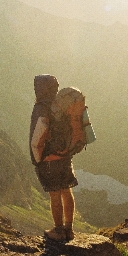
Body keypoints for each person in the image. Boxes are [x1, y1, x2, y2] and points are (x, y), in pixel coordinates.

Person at [29, 74, 78, 241]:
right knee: (67, 190)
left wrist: (37, 159)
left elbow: (37, 137)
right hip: (65, 156)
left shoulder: (41, 108)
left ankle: (58, 231)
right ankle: (69, 229)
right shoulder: (61, 105)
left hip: (49, 160)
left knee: (55, 195)